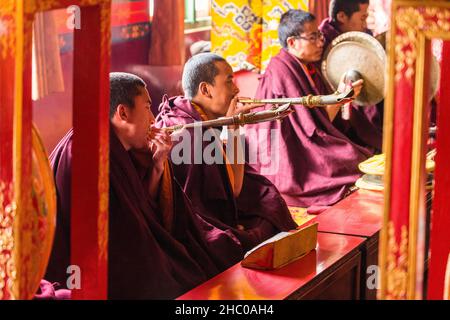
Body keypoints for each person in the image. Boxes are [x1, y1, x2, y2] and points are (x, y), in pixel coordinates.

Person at [44, 72, 244, 299]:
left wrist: (158, 165)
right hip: (85, 266)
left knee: (206, 255)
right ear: (122, 113)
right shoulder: (87, 153)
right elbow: (121, 236)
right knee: (175, 276)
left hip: (121, 247)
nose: (152, 119)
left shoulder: (119, 147)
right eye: (148, 107)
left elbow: (140, 207)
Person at [155, 53, 298, 252]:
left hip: (212, 205)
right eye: (229, 81)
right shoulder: (189, 131)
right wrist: (233, 128)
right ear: (205, 89)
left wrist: (234, 126)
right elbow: (235, 188)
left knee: (268, 199)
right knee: (255, 228)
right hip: (197, 224)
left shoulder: (193, 114)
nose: (237, 89)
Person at [246, 9, 372, 208]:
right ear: (292, 43)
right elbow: (310, 131)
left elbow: (319, 121)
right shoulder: (281, 72)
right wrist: (340, 97)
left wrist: (341, 97)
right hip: (290, 157)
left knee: (361, 155)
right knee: (355, 161)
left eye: (319, 36)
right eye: (313, 37)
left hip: (308, 143)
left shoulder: (307, 66)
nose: (320, 42)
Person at [319, 0, 383, 153]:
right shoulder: (322, 44)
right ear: (341, 16)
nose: (365, 23)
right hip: (340, 113)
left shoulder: (363, 34)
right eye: (362, 18)